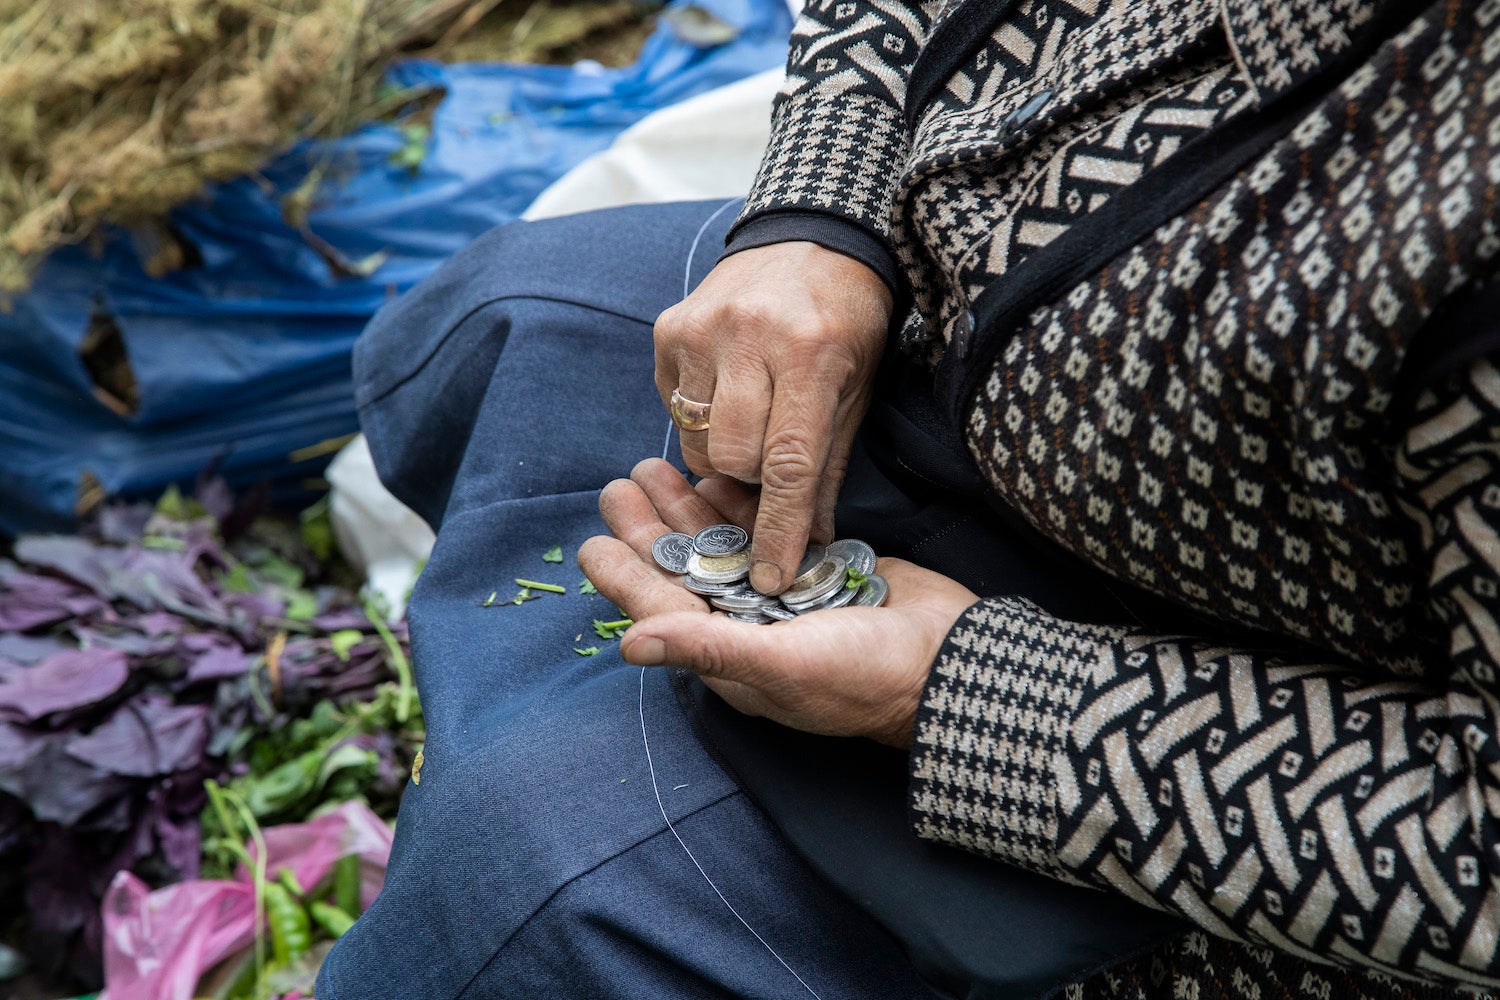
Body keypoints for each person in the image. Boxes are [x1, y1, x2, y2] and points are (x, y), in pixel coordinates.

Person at [317, 0, 1500, 995]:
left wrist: (959, 695)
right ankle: (447, 704)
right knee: (523, 310)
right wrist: (816, 216)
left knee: (535, 869)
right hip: (907, 337)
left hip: (1160, 714)